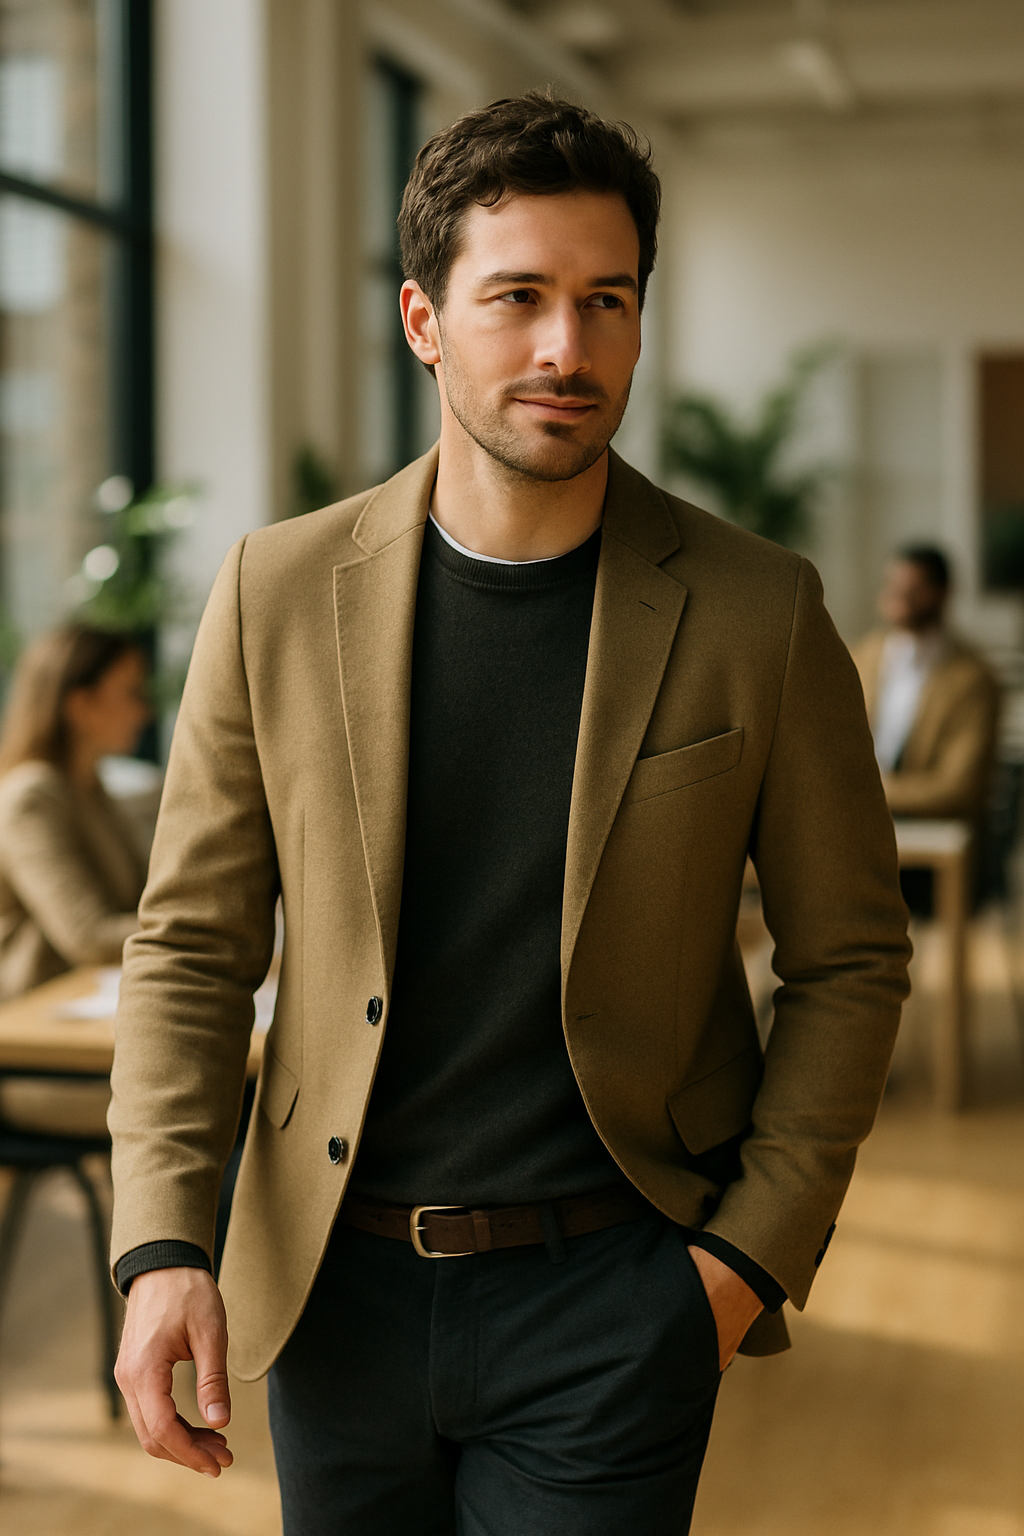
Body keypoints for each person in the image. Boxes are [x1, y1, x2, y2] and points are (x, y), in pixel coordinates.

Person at [109, 94, 911, 1535]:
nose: (567, 348)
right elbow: (189, 945)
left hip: (613, 1299)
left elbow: (849, 957)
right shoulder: (278, 593)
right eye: (520, 298)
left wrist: (741, 1264)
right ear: (425, 320)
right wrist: (164, 1242)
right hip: (332, 1292)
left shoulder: (757, 613)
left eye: (607, 302)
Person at [0, 624, 151, 1134]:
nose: (144, 711)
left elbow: (143, 900)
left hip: (98, 1029)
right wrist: (210, 929)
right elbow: (87, 935)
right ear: (79, 704)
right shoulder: (31, 797)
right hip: (41, 1056)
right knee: (218, 1097)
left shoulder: (92, 790)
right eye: (131, 692)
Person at [851, 546, 1000, 912]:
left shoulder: (973, 679)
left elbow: (958, 788)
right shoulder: (860, 656)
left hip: (931, 850)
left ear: (942, 594)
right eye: (893, 585)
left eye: (912, 587)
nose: (897, 596)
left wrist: (872, 793)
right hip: (855, 834)